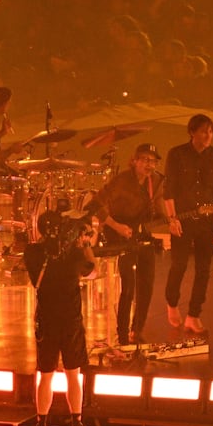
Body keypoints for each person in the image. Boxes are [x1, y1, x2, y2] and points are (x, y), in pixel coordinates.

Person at [22, 211, 97, 426]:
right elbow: (92, 271)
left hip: (46, 321)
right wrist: (85, 243)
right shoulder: (74, 255)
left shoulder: (32, 253)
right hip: (71, 321)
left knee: (45, 375)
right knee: (73, 375)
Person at [85, 143, 166, 346]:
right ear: (135, 161)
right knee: (128, 285)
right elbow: (94, 204)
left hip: (141, 234)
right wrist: (116, 226)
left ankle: (136, 330)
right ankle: (122, 334)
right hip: (118, 234)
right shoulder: (122, 181)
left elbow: (159, 212)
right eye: (145, 160)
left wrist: (171, 219)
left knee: (147, 283)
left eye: (153, 161)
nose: (150, 165)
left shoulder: (156, 181)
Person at [164, 114, 213, 334]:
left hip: (206, 221)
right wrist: (172, 219)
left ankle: (193, 315)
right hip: (183, 218)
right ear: (192, 132)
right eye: (203, 131)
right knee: (179, 265)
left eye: (210, 131)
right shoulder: (177, 154)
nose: (208, 136)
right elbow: (168, 189)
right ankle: (171, 303)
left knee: (203, 269)